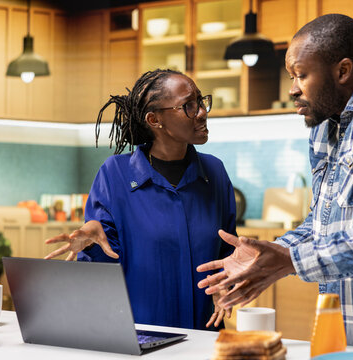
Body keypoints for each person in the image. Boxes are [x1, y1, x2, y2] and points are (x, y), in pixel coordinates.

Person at [197, 14, 353, 354]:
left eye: (301, 75)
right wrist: (270, 253)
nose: (292, 89)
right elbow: (323, 222)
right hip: (343, 331)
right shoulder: (324, 126)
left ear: (342, 71)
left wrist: (291, 261)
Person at [45, 69, 236, 330]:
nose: (202, 111)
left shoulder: (214, 172)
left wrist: (228, 283)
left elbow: (228, 252)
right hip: (143, 338)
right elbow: (106, 265)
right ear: (154, 119)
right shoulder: (115, 174)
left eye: (201, 101)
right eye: (189, 106)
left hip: (206, 337)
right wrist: (91, 242)